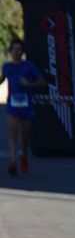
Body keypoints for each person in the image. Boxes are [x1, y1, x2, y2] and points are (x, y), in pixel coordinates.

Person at [2, 39, 47, 176]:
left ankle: (24, 156)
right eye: (14, 49)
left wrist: (28, 84)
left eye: (19, 49)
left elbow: (42, 82)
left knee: (25, 136)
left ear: (22, 52)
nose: (16, 52)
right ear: (10, 52)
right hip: (12, 105)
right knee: (13, 133)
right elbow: (2, 78)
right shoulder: (7, 66)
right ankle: (13, 161)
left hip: (27, 106)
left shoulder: (29, 67)